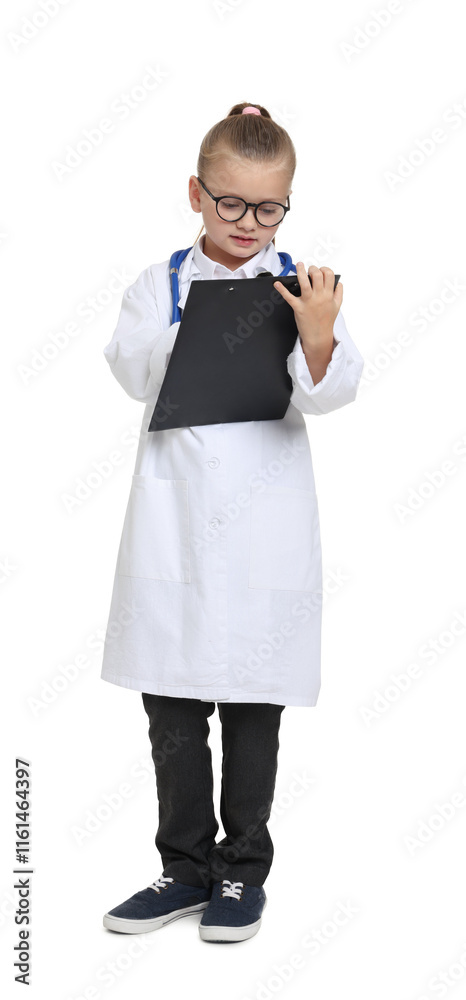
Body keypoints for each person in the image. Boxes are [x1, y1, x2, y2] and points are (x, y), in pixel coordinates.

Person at [101, 101, 365, 944]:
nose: (250, 223)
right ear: (196, 194)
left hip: (263, 532)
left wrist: (316, 335)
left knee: (255, 707)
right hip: (174, 528)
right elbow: (130, 372)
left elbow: (329, 393)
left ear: (287, 203)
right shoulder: (159, 285)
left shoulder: (303, 286)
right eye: (231, 204)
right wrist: (192, 331)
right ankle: (184, 869)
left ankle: (242, 872)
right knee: (173, 708)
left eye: (269, 207)